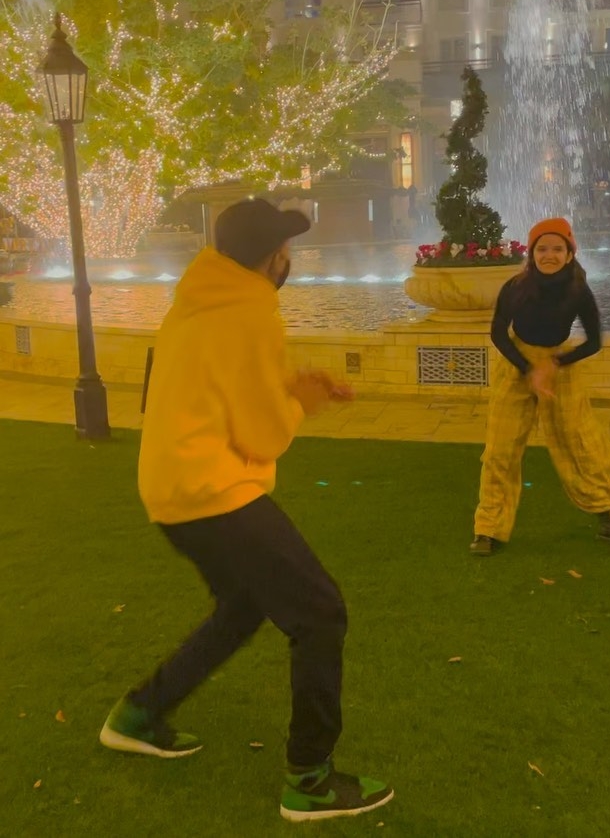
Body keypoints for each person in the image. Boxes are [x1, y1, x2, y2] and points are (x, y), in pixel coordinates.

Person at [99, 198, 394, 822]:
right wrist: (301, 405)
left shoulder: (195, 300)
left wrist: (293, 384)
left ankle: (140, 714)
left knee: (242, 608)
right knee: (320, 613)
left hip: (169, 489)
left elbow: (219, 386)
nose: (291, 261)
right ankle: (309, 779)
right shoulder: (253, 313)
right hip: (215, 490)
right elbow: (262, 434)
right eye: (287, 251)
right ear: (272, 258)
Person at [470, 216, 610, 556]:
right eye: (542, 248)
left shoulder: (579, 290)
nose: (549, 255)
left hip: (559, 370)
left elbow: (594, 342)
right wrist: (527, 369)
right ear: (532, 252)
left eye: (557, 248)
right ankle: (488, 529)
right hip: (516, 368)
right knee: (499, 451)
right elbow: (497, 333)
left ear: (569, 253)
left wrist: (553, 365)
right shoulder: (515, 287)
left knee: (584, 445)